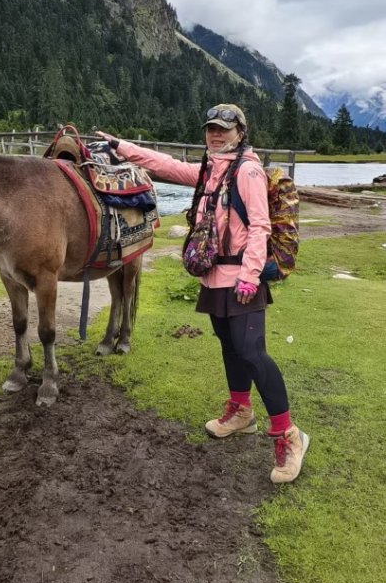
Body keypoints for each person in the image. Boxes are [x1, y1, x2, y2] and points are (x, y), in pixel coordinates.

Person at [95, 104, 309, 484]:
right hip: (214, 276)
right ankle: (241, 412)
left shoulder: (248, 171)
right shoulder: (210, 171)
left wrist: (250, 276)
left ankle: (289, 436)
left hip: (242, 277)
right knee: (229, 347)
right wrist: (122, 147)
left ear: (240, 133)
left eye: (224, 129)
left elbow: (260, 227)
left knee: (252, 354)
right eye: (211, 128)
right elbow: (164, 165)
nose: (216, 134)